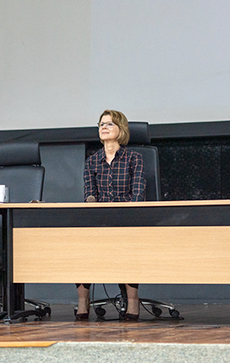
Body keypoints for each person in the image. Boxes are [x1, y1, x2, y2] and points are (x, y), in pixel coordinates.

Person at [75, 109, 147, 321]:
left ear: (121, 129)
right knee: (78, 244)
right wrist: (93, 209)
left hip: (127, 220)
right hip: (100, 220)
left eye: (109, 124)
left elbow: (138, 194)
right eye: (101, 124)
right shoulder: (92, 161)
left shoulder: (135, 158)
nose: (103, 127)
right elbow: (89, 194)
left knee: (127, 244)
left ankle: (132, 301)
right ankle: (82, 300)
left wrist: (124, 219)